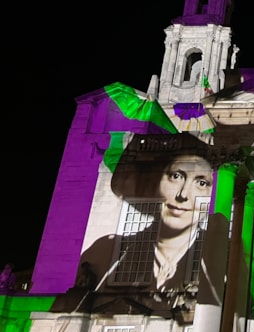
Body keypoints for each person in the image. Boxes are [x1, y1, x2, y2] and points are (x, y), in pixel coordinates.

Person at [51, 133, 221, 318]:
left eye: (201, 183)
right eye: (176, 176)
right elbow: (62, 315)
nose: (183, 194)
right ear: (158, 182)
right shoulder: (105, 252)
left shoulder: (222, 257)